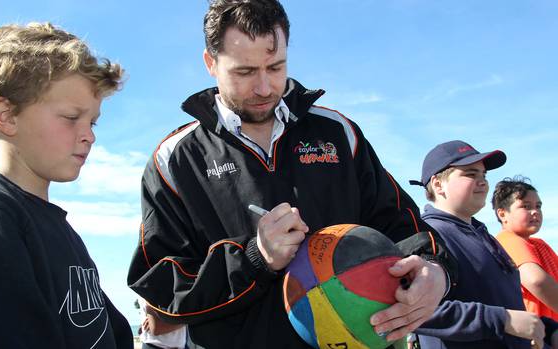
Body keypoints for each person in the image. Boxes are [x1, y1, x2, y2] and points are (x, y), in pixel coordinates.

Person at [127, 1, 458, 348]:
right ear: (211, 63)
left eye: (276, 66)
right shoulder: (174, 159)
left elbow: (402, 224)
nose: (264, 87)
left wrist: (433, 268)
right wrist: (255, 258)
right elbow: (161, 286)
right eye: (244, 72)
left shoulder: (338, 133)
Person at [0, 22, 132, 348]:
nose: (89, 135)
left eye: (92, 121)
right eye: (71, 117)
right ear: (7, 115)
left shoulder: (61, 231)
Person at [409, 140, 558, 349]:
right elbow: (414, 310)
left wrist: (548, 329)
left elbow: (506, 306)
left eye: (483, 175)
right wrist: (501, 320)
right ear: (438, 184)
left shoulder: (484, 235)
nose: (482, 182)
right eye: (470, 174)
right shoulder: (426, 236)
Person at [493, 177, 558, 322]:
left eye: (538, 206)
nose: (535, 211)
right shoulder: (507, 240)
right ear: (502, 214)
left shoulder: (540, 244)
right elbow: (536, 280)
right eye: (526, 206)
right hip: (535, 336)